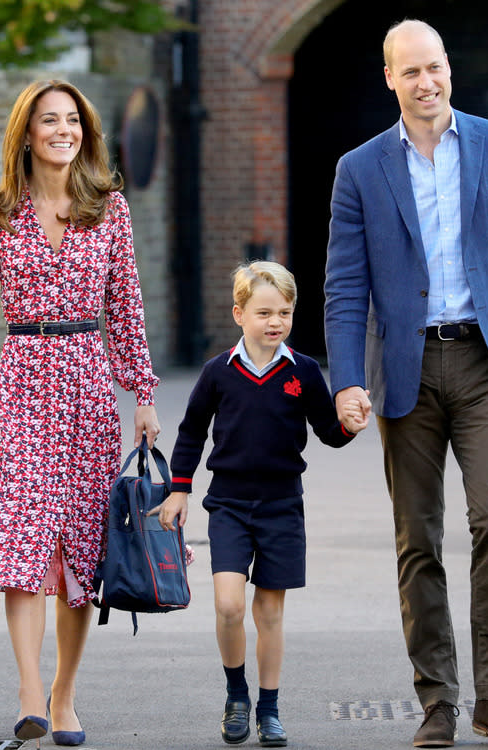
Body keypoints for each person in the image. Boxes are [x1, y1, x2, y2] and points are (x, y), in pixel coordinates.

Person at [323, 19, 488, 749]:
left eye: (435, 68)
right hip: (403, 370)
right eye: (411, 72)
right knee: (417, 539)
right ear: (389, 79)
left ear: (449, 70)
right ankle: (436, 700)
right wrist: (345, 382)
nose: (426, 82)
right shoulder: (359, 168)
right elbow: (345, 288)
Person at [0, 79, 160, 746]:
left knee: (81, 552)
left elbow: (127, 311)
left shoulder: (109, 209)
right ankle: (29, 689)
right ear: (26, 132)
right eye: (49, 120)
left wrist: (143, 394)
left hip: (87, 391)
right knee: (21, 538)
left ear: (86, 131)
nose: (63, 130)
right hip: (22, 386)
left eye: (73, 120)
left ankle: (64, 694)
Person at [153, 261, 367, 748]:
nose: (275, 322)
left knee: (269, 613)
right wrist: (180, 488)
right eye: (264, 312)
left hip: (282, 506)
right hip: (228, 503)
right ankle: (236, 697)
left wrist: (350, 426)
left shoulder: (305, 371)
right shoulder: (217, 373)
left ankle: (269, 709)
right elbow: (191, 433)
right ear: (239, 313)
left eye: (285, 313)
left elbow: (328, 433)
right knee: (230, 605)